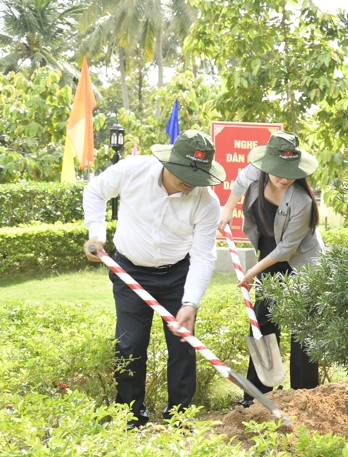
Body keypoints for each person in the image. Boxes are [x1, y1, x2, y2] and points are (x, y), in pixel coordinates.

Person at [83, 130, 224, 428]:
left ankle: (180, 418)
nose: (190, 182)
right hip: (130, 271)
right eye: (184, 173)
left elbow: (203, 256)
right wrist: (96, 233)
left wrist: (190, 303)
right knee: (130, 344)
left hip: (177, 275)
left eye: (197, 176)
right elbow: (95, 191)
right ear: (169, 162)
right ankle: (131, 417)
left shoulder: (207, 203)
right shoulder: (133, 170)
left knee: (183, 346)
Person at [219, 132, 325, 405]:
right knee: (263, 320)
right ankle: (256, 397)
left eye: (290, 171)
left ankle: (304, 397)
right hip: (269, 253)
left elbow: (286, 250)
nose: (284, 177)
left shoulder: (301, 200)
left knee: (303, 327)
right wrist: (228, 210)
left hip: (302, 261)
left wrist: (251, 272)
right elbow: (240, 184)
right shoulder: (256, 173)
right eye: (278, 170)